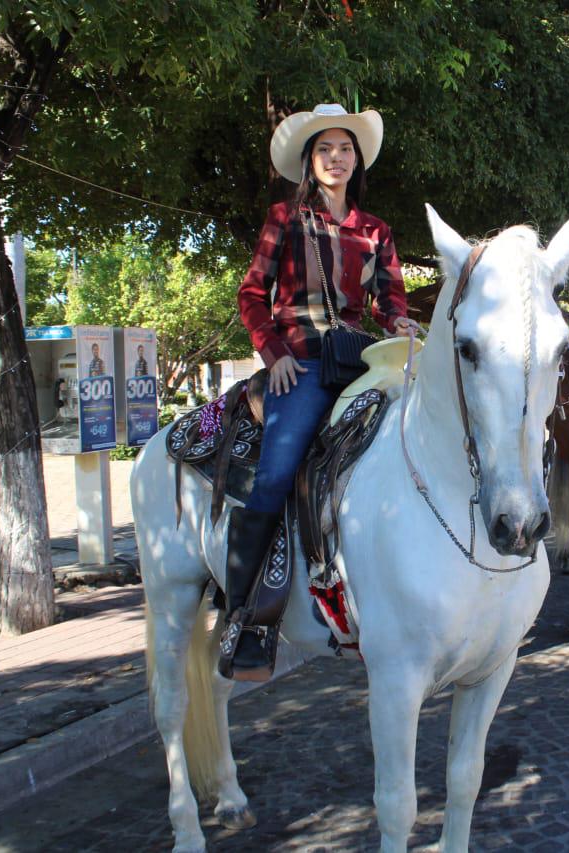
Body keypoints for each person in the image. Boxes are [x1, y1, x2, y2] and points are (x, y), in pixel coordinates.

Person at [226, 104, 411, 681]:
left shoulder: (376, 229)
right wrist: (273, 353)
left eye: (346, 149)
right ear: (311, 160)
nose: (337, 158)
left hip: (359, 360)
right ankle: (246, 617)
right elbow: (252, 294)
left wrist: (400, 323)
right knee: (277, 475)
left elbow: (389, 300)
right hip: (301, 364)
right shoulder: (284, 217)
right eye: (326, 149)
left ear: (357, 160)